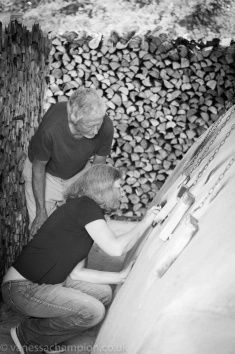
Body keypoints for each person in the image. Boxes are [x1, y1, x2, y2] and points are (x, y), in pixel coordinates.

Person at [1, 164, 160, 353]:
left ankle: (44, 320)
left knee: (104, 293)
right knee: (93, 312)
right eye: (118, 187)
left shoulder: (85, 210)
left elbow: (76, 273)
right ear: (104, 188)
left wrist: (119, 277)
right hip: (21, 288)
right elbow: (115, 248)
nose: (123, 193)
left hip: (48, 283)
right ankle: (27, 336)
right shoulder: (86, 207)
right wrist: (145, 222)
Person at [23, 87, 114, 237]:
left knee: (78, 231)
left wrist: (92, 201)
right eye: (91, 125)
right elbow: (38, 168)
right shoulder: (51, 129)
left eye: (99, 123)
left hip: (78, 172)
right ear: (74, 119)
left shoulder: (105, 126)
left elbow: (98, 166)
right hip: (45, 174)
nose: (96, 131)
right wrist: (41, 212)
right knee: (41, 233)